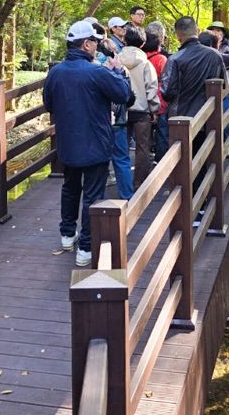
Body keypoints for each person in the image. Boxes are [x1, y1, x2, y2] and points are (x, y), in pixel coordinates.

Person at [43, 20, 132, 266]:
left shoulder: (55, 73)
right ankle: (85, 248)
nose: (96, 45)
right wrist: (118, 71)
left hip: (68, 143)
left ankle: (67, 234)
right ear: (86, 44)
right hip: (96, 143)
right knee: (92, 195)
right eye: (94, 41)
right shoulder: (98, 72)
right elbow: (124, 95)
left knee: (70, 188)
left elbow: (49, 104)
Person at [162, 16, 228, 119]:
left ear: (178, 36)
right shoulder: (215, 55)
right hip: (211, 117)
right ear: (197, 31)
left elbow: (167, 92)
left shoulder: (175, 59)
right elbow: (224, 85)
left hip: (181, 117)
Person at [119, 26, 160, 188]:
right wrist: (154, 109)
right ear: (142, 44)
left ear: (124, 40)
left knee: (122, 148)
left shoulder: (116, 60)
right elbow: (151, 88)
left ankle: (124, 183)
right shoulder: (145, 64)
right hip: (142, 111)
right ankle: (139, 183)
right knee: (143, 148)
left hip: (121, 110)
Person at [142, 30, 170, 160]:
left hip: (143, 96)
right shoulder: (161, 59)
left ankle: (145, 159)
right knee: (162, 131)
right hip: (159, 96)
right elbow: (167, 78)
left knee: (144, 133)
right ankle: (161, 159)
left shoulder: (141, 57)